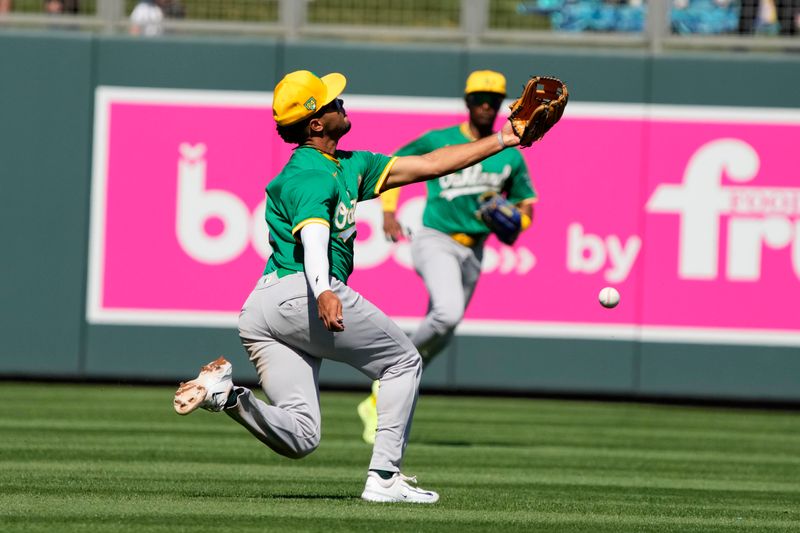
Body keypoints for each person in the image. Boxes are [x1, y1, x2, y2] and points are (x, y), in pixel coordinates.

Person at [173, 70, 527, 504]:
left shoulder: (349, 164)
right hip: (300, 290)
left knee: (302, 435)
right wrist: (323, 289)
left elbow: (432, 164)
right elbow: (314, 237)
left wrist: (505, 139)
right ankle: (384, 477)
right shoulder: (309, 174)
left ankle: (226, 395)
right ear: (316, 124)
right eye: (331, 103)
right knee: (402, 362)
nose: (341, 104)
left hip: (262, 309)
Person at [357, 70, 537, 445]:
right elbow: (394, 165)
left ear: (501, 103)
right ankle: (391, 371)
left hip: (473, 250)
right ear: (468, 102)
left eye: (493, 99)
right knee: (447, 312)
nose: (486, 105)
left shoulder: (509, 156)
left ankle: (386, 392)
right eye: (479, 98)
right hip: (434, 238)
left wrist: (516, 220)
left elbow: (526, 208)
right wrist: (388, 211)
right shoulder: (440, 140)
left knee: (445, 327)